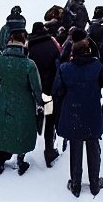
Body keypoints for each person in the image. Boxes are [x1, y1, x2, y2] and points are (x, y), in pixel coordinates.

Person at [52, 33, 103, 197]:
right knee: (93, 147)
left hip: (73, 113)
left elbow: (57, 91)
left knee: (75, 148)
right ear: (88, 50)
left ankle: (76, 184)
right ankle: (95, 184)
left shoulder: (65, 68)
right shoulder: (97, 66)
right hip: (92, 113)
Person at [0, 27, 43, 176]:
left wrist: (5, 88)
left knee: (2, 130)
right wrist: (39, 102)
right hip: (24, 103)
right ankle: (20, 160)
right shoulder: (29, 64)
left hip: (4, 100)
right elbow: (36, 88)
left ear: (10, 40)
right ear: (24, 42)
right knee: (21, 130)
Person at [27, 21, 62, 167]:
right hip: (49, 91)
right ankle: (49, 151)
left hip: (31, 92)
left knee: (29, 118)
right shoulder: (52, 44)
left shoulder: (28, 47)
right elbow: (59, 65)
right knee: (50, 120)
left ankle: (23, 153)